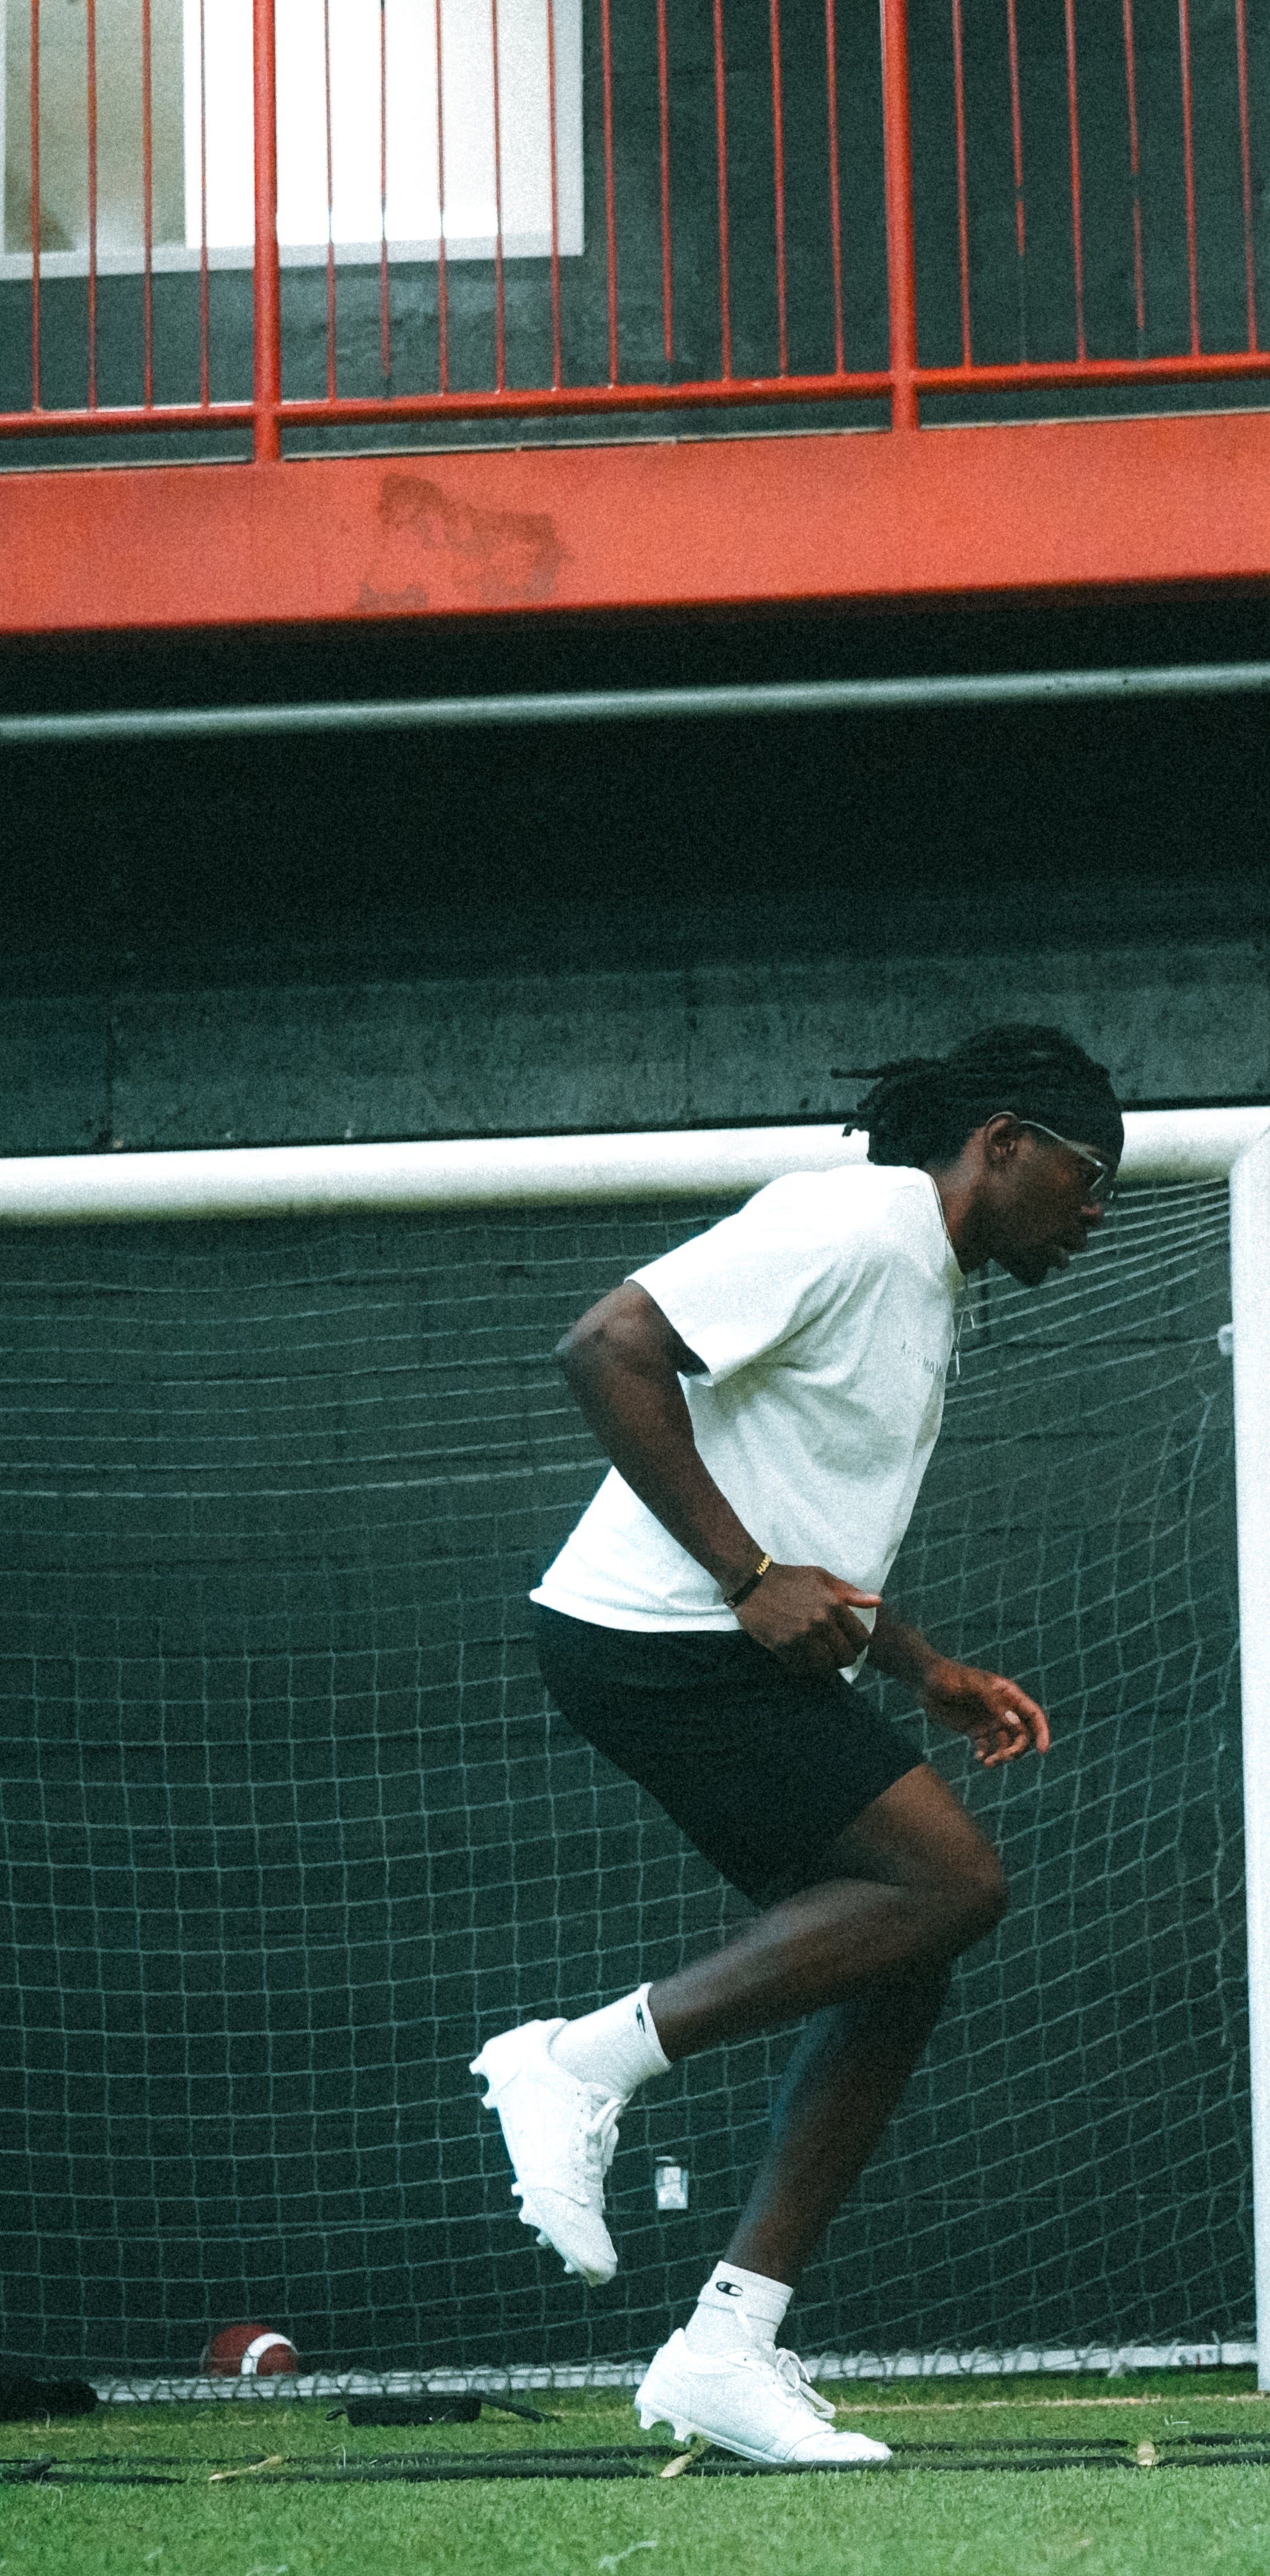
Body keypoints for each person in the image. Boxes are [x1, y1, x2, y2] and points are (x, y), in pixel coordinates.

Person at [471, 1025, 1125, 2466]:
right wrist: (743, 1578)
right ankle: (577, 2064)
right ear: (1003, 1144)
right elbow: (607, 1344)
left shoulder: (927, 1279)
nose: (1098, 1214)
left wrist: (925, 1666)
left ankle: (728, 2348)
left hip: (708, 1644)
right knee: (950, 1884)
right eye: (1090, 1178)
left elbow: (805, 1539)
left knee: (900, 1954)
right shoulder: (856, 1221)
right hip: (652, 1638)